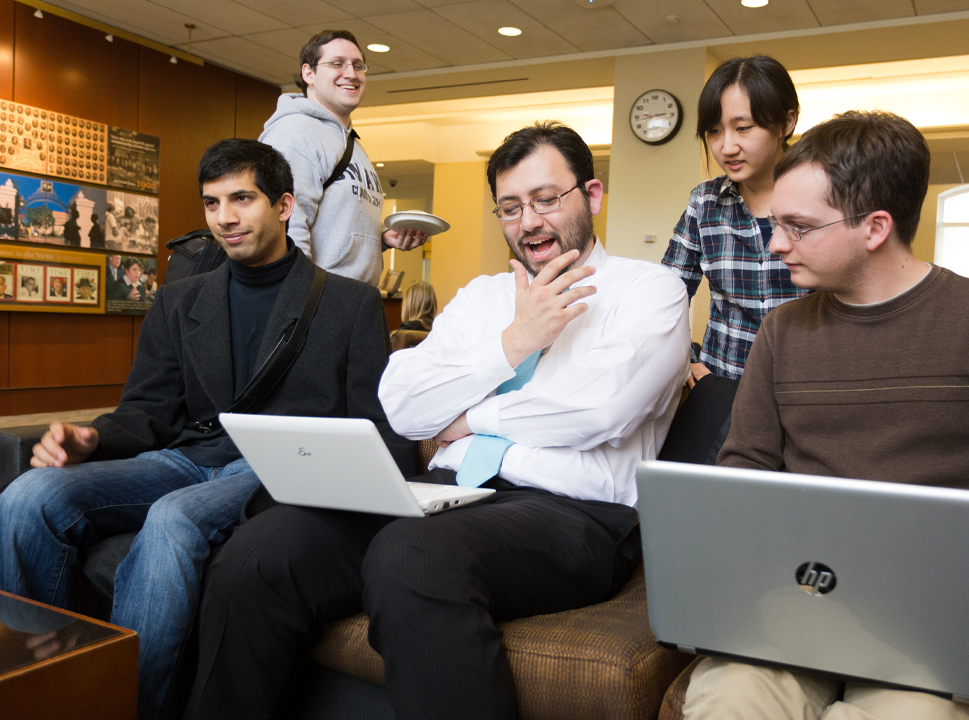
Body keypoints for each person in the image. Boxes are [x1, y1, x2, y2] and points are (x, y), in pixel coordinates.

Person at [183, 121, 690, 720]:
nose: (528, 222)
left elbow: (596, 410)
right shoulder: (482, 298)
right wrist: (512, 343)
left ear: (593, 196)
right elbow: (402, 403)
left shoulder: (650, 290)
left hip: (574, 509)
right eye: (509, 207)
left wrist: (465, 418)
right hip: (449, 492)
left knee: (411, 552)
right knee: (258, 556)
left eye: (546, 199)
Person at [680, 110, 969, 720]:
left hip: (936, 620)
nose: (776, 243)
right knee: (725, 702)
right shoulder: (782, 332)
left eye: (798, 226)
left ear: (875, 227)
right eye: (775, 223)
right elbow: (746, 475)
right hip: (802, 602)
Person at [0, 138, 410, 720]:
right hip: (186, 456)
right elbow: (147, 410)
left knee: (175, 520)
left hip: (277, 468)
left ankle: (121, 705)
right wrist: (93, 438)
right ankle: (37, 689)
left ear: (285, 205)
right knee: (27, 496)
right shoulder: (178, 301)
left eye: (242, 199)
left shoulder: (350, 305)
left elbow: (377, 430)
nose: (225, 217)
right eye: (212, 203)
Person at [662, 55, 808, 392]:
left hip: (804, 390)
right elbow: (667, 295)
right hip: (723, 388)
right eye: (714, 131)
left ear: (787, 123)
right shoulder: (705, 203)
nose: (727, 147)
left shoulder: (822, 198)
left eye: (743, 128)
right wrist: (680, 361)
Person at [260, 29, 426, 285]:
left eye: (358, 66)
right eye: (337, 64)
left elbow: (337, 225)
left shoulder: (352, 143)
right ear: (309, 73)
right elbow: (286, 226)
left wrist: (380, 237)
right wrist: (298, 300)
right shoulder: (294, 132)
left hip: (354, 301)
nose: (351, 74)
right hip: (317, 305)